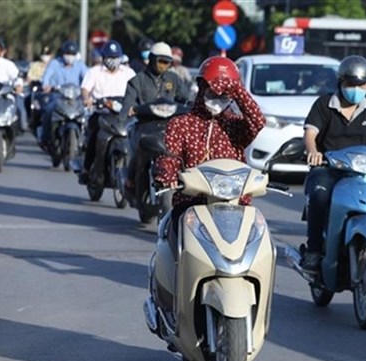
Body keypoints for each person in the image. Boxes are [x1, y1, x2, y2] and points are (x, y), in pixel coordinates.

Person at [300, 55, 366, 273]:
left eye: (362, 85)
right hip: (328, 169)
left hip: (362, 171)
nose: (356, 89)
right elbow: (310, 133)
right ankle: (313, 250)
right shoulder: (324, 104)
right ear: (340, 82)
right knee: (320, 196)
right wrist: (313, 153)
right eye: (351, 84)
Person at [154, 56, 265, 244]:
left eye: (224, 96)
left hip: (234, 204)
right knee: (177, 240)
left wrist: (236, 89)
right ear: (201, 88)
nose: (217, 99)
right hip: (191, 203)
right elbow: (169, 157)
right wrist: (167, 174)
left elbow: (258, 121)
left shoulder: (235, 125)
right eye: (212, 93)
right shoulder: (180, 124)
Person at [121, 41, 191, 198]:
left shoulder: (174, 79)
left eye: (167, 62)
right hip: (145, 126)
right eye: (161, 61)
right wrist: (130, 109)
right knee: (139, 151)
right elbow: (128, 102)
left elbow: (186, 97)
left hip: (169, 127)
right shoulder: (137, 80)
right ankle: (131, 180)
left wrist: (192, 105)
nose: (163, 65)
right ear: (152, 60)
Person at [79, 40, 135, 182]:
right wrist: (87, 99)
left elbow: (137, 91)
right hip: (102, 114)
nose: (112, 61)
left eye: (115, 58)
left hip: (124, 116)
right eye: (109, 57)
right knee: (94, 135)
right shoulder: (94, 72)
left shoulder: (128, 73)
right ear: (103, 57)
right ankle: (87, 168)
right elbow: (85, 89)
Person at [38, 40, 88, 147]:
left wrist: (88, 89)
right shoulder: (55, 63)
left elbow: (88, 79)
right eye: (67, 54)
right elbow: (46, 77)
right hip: (58, 97)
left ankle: (85, 140)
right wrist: (46, 86)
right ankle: (45, 137)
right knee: (48, 110)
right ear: (63, 53)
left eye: (72, 54)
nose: (70, 57)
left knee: (87, 113)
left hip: (75, 99)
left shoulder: (80, 65)